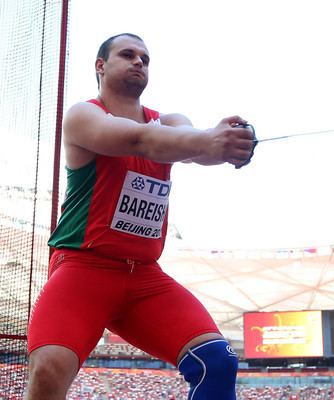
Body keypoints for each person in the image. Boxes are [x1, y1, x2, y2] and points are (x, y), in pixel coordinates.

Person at [25, 33, 254, 399]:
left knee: (218, 361)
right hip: (84, 272)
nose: (139, 62)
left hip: (144, 279)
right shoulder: (84, 115)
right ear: (100, 66)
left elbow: (196, 149)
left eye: (145, 59)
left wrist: (226, 145)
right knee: (48, 370)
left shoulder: (171, 121)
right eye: (127, 54)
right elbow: (139, 141)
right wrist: (211, 140)